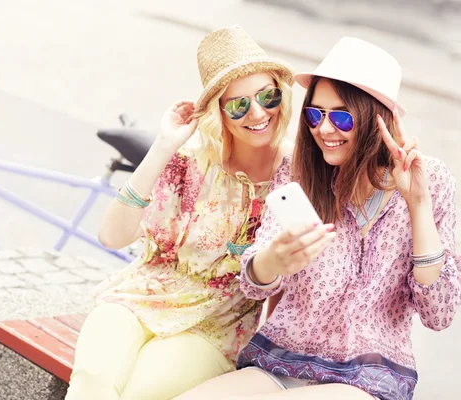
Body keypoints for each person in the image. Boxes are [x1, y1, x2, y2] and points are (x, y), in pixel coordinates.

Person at [176, 37, 461, 400]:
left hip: (367, 377)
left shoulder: (429, 180)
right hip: (281, 360)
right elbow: (254, 281)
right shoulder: (298, 173)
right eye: (315, 114)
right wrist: (271, 262)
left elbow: (439, 313)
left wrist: (418, 203)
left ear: (378, 119)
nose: (324, 129)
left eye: (341, 116)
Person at [65, 25, 296, 400]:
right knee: (93, 378)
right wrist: (163, 146)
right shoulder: (191, 161)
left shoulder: (294, 172)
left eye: (267, 96)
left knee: (139, 393)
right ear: (219, 112)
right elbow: (112, 236)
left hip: (218, 324)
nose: (258, 112)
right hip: (141, 296)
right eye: (239, 104)